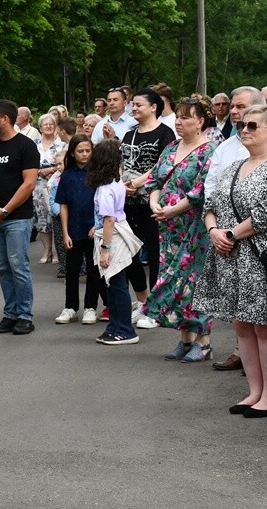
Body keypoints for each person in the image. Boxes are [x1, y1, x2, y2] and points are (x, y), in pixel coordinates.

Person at [195, 105, 267, 417]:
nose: (245, 130)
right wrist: (213, 231)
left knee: (265, 326)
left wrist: (229, 234)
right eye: (242, 125)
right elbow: (209, 204)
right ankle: (253, 392)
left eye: (253, 126)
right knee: (241, 324)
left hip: (260, 258)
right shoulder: (233, 167)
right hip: (229, 256)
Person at [142, 97, 217, 362]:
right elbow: (155, 180)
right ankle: (185, 339)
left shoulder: (210, 151)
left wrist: (173, 209)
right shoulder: (171, 147)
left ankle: (203, 341)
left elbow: (201, 190)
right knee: (173, 281)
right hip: (168, 228)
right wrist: (155, 203)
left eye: (186, 117)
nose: (179, 122)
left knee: (194, 281)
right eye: (178, 117)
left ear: (200, 121)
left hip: (195, 226)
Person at [0, 99, 39, 335]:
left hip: (17, 218)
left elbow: (29, 184)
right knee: (3, 268)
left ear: (5, 119)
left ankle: (25, 315)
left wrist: (5, 210)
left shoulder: (26, 146)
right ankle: (10, 313)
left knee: (18, 266)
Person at [118, 88, 177, 323]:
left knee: (154, 253)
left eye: (138, 104)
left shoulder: (165, 133)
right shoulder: (129, 134)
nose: (133, 108)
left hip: (153, 201)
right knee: (129, 251)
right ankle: (142, 300)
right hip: (128, 200)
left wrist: (138, 183)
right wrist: (123, 184)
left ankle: (155, 307)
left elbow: (163, 165)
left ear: (153, 107)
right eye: (132, 104)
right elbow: (122, 163)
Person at [89, 138, 142, 345]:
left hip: (113, 238)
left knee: (117, 285)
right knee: (113, 285)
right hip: (115, 232)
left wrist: (105, 250)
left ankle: (125, 330)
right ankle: (115, 327)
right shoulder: (115, 182)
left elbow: (109, 219)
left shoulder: (105, 189)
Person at [55, 135, 105, 324]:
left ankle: (90, 307)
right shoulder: (67, 175)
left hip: (93, 229)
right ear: (72, 153)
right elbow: (63, 204)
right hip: (74, 228)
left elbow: (103, 203)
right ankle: (70, 307)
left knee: (93, 270)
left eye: (88, 151)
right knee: (72, 270)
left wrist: (97, 225)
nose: (84, 154)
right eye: (80, 151)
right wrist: (65, 232)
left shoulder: (98, 173)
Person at [34, 113, 66, 265]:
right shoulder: (34, 145)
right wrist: (41, 172)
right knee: (42, 218)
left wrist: (52, 169)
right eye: (45, 124)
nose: (48, 126)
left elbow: (66, 162)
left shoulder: (62, 145)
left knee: (57, 216)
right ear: (40, 128)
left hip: (57, 184)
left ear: (56, 127)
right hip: (38, 184)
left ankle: (59, 251)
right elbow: (28, 164)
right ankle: (47, 250)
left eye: (51, 124)